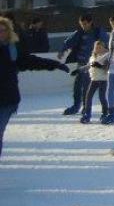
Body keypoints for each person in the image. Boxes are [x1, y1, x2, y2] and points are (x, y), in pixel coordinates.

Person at [0, 15, 67, 158]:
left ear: (9, 32)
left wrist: (55, 64)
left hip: (7, 99)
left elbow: (30, 61)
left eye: (4, 30)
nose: (1, 33)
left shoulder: (14, 51)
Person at [58, 13, 105, 115]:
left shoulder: (97, 32)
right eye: (81, 24)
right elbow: (69, 41)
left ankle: (85, 107)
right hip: (80, 63)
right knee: (77, 86)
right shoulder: (79, 33)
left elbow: (107, 43)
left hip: (91, 64)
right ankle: (76, 106)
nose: (83, 26)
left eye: (85, 24)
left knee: (86, 86)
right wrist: (62, 50)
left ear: (90, 22)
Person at [78, 39, 111, 124]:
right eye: (97, 47)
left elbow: (107, 68)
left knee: (102, 97)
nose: (98, 49)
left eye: (100, 47)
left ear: (104, 48)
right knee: (88, 97)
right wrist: (79, 70)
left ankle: (104, 113)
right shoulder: (92, 57)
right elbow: (89, 66)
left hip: (103, 80)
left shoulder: (106, 57)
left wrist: (99, 66)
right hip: (94, 80)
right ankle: (87, 114)